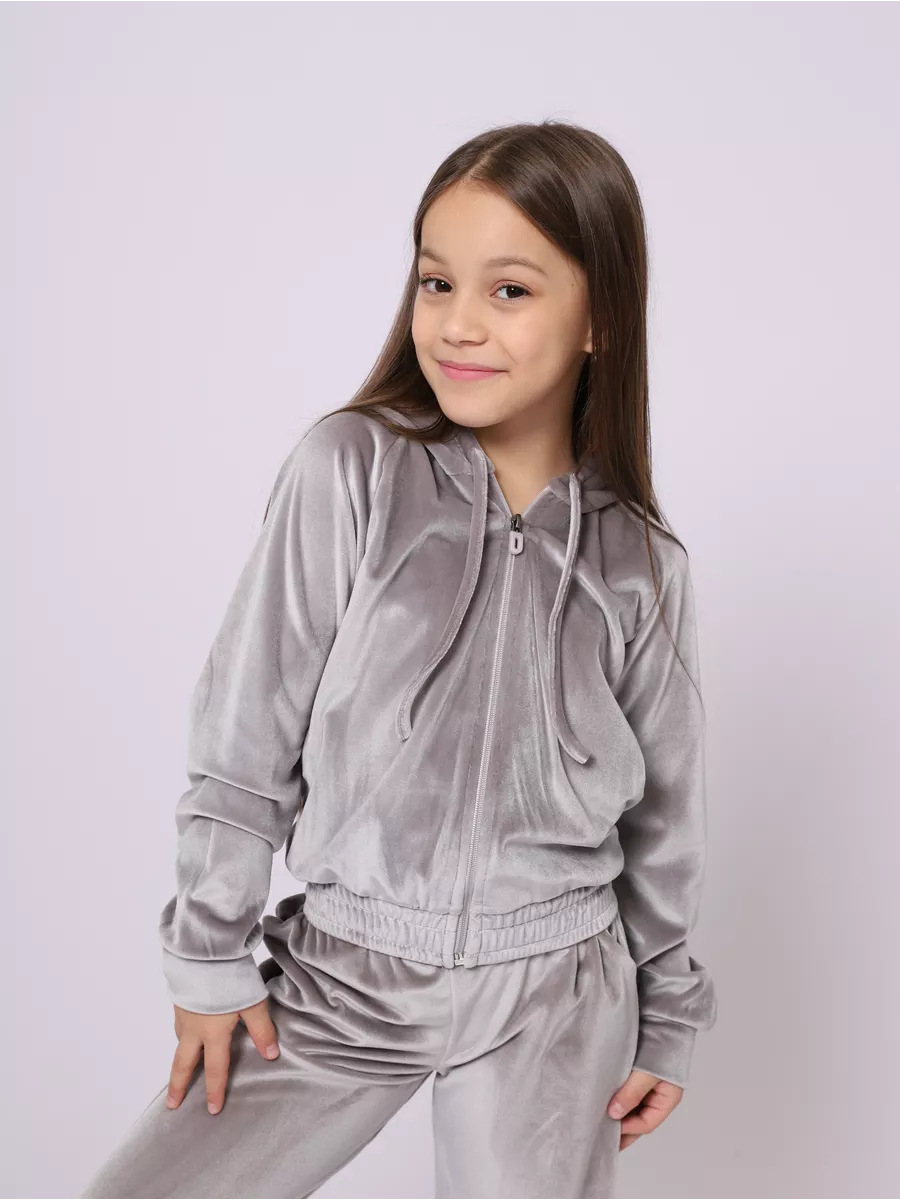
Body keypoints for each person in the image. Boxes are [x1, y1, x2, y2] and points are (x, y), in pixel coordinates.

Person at [80, 118, 717, 1200]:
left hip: (557, 1000)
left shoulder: (642, 563)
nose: (458, 323)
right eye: (436, 282)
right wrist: (208, 950)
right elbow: (247, 729)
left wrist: (668, 1019)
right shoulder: (353, 471)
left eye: (509, 290)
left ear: (600, 317)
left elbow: (665, 820)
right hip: (345, 974)